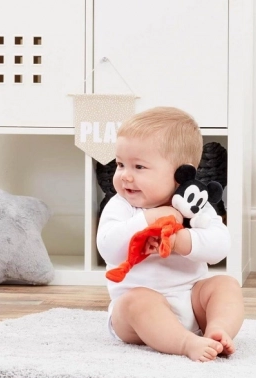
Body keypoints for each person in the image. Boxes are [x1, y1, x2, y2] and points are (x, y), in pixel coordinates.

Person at [96, 107, 244, 362]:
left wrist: (182, 241)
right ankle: (185, 343)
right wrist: (146, 220)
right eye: (121, 164)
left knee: (226, 285)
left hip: (190, 299)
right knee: (137, 301)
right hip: (137, 317)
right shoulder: (122, 206)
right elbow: (108, 247)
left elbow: (220, 245)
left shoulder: (193, 205)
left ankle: (217, 330)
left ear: (180, 175)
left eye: (139, 166)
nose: (125, 176)